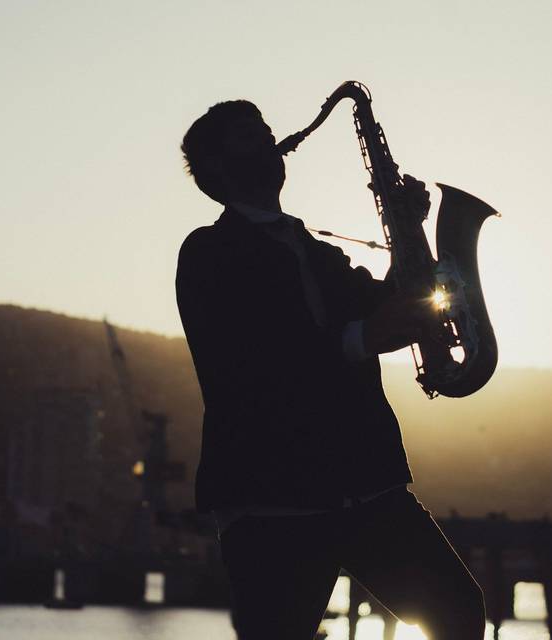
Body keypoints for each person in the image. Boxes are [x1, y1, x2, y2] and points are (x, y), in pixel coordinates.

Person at [176, 99, 485, 640]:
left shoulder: (317, 252)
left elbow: (387, 307)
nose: (272, 143)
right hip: (272, 500)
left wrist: (410, 233)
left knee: (458, 611)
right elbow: (248, 361)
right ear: (217, 169)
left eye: (267, 132)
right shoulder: (207, 253)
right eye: (251, 138)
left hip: (363, 482)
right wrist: (363, 336)